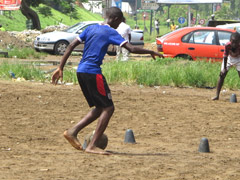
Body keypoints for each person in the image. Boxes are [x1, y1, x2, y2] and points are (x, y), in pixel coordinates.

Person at [51, 7, 163, 155]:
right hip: (93, 73)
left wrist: (60, 68)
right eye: (120, 22)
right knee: (109, 108)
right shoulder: (111, 32)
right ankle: (92, 145)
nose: (119, 26)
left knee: (100, 107)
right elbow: (131, 49)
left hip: (81, 71)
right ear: (116, 19)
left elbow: (71, 45)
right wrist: (151, 51)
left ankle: (72, 132)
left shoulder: (91, 28)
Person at [212, 32, 240, 100]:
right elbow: (225, 56)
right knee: (222, 75)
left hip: (238, 58)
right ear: (230, 40)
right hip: (229, 58)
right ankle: (217, 95)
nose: (234, 44)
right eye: (232, 42)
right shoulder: (227, 45)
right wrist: (224, 68)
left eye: (236, 42)